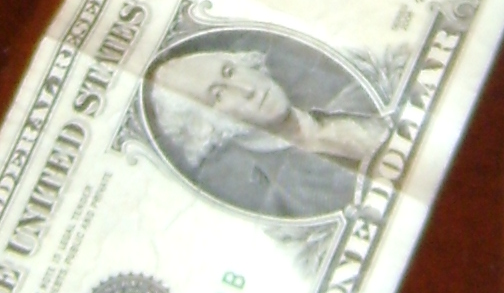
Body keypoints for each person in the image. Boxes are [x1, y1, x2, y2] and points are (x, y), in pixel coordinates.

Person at [147, 41, 384, 218]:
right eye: (218, 95)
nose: (246, 89)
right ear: (205, 129)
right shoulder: (289, 199)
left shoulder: (355, 87)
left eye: (229, 71)